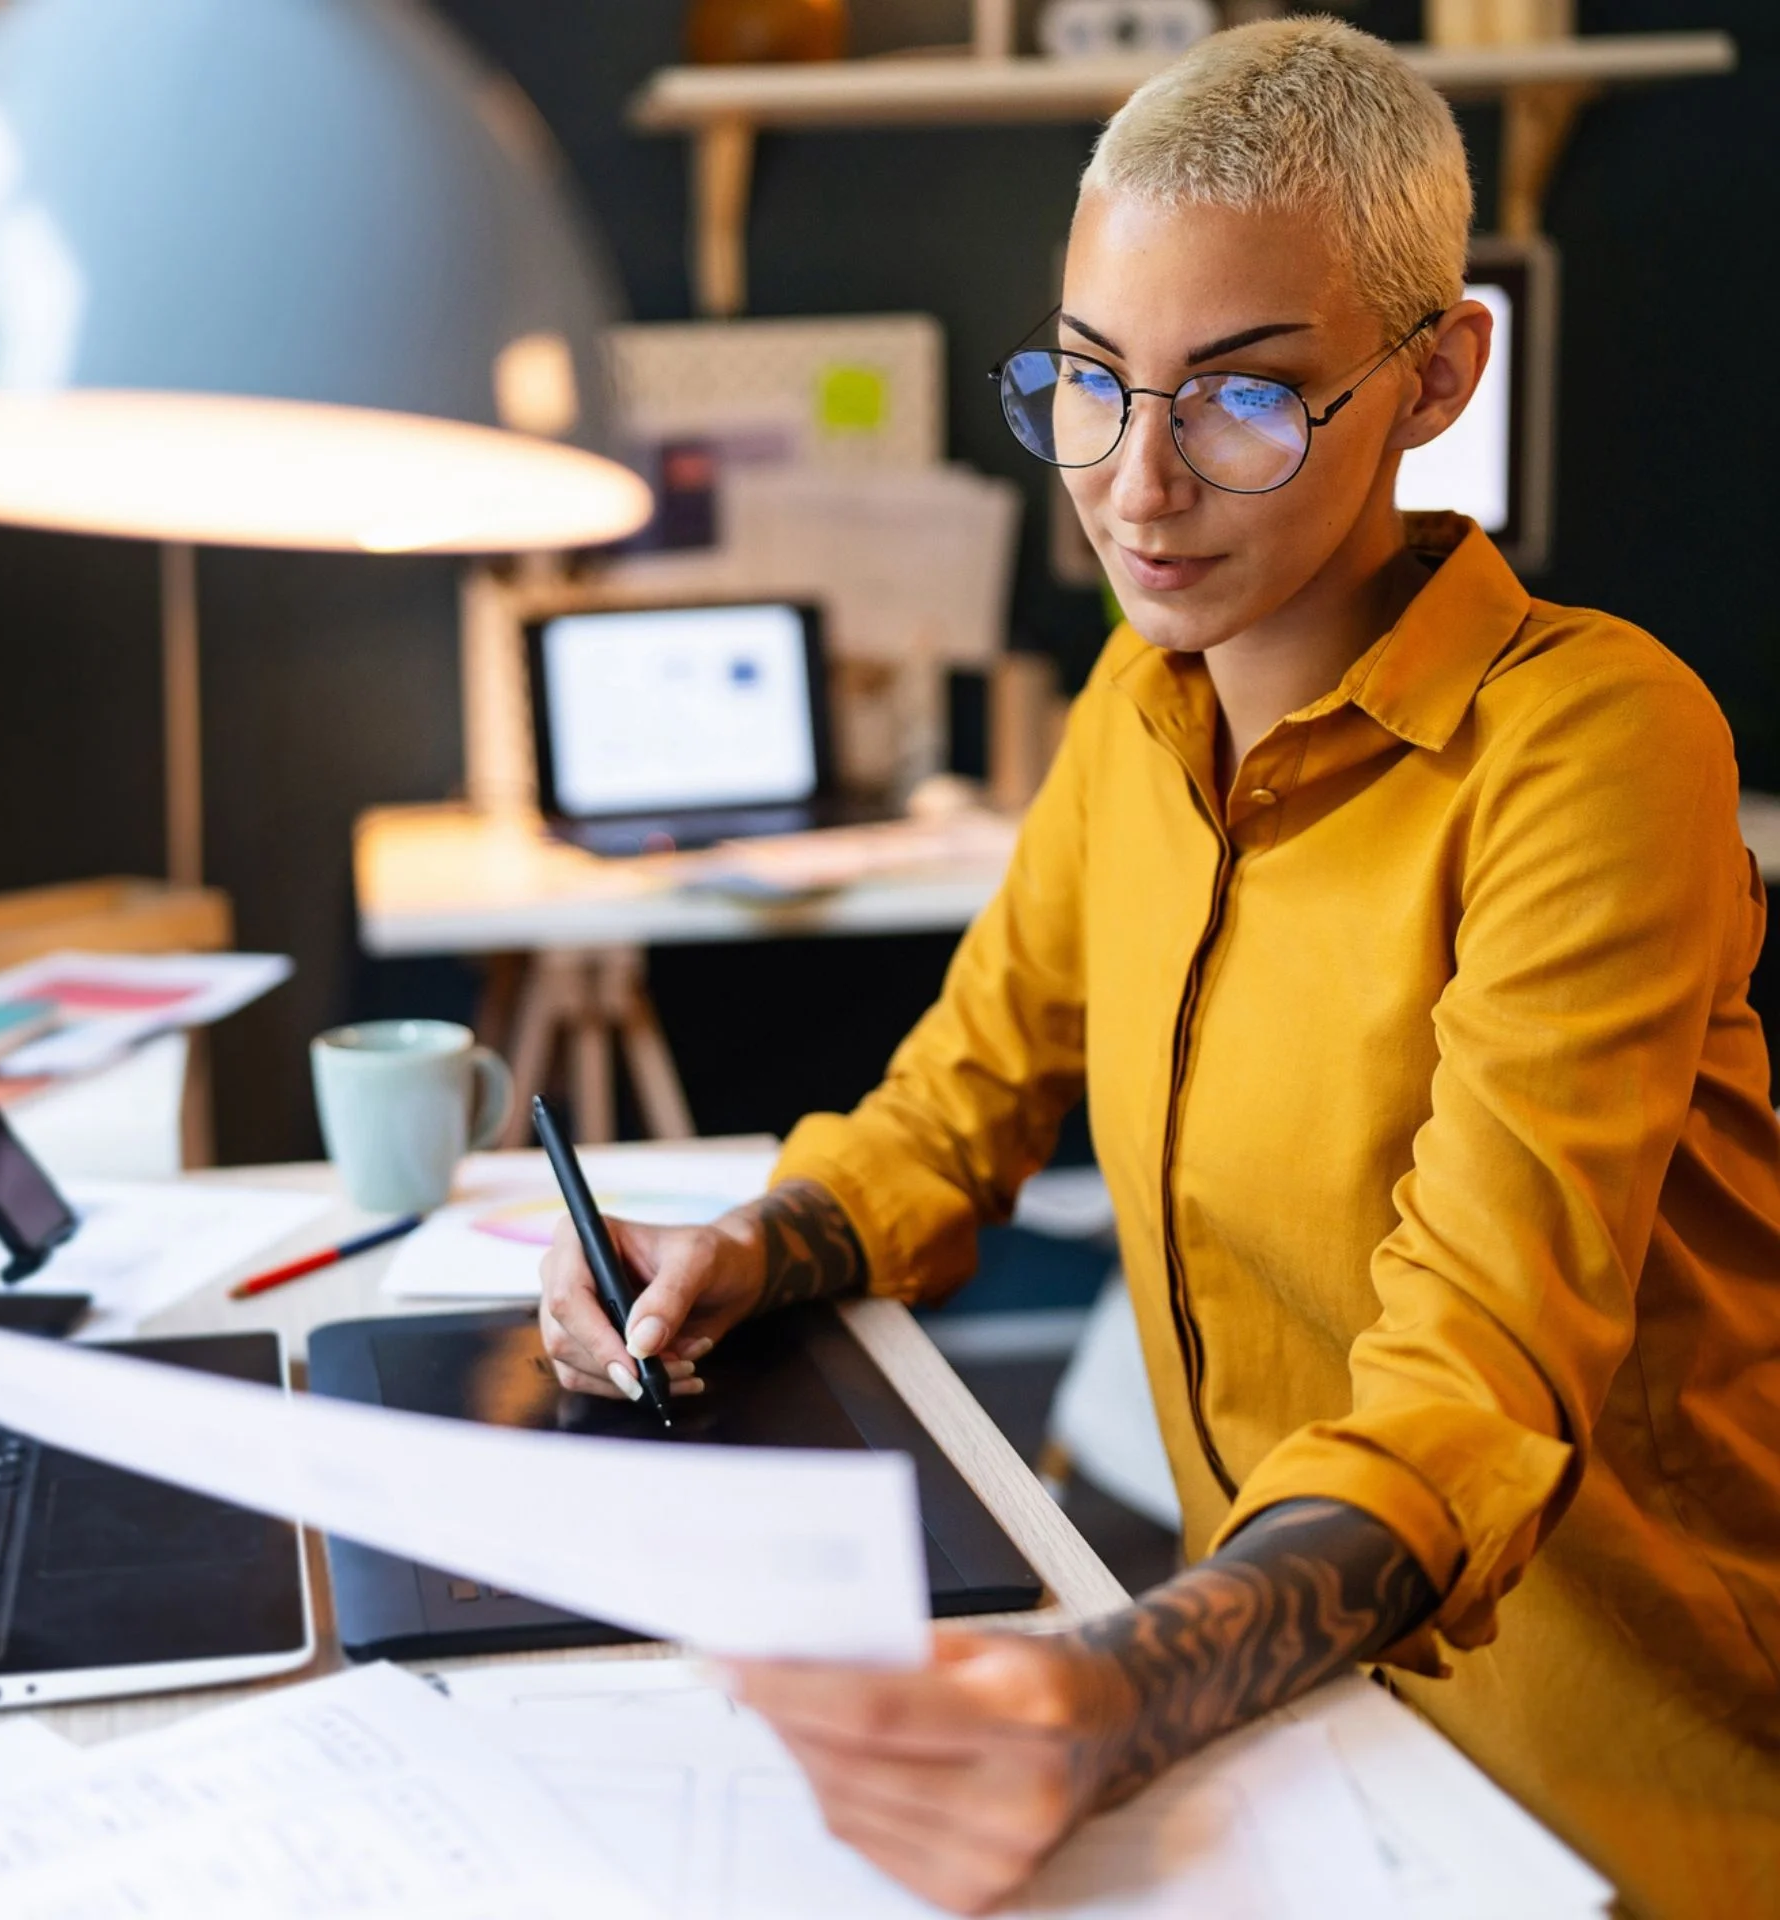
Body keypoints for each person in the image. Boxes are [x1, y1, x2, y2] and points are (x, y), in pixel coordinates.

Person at [537, 19, 1780, 1918]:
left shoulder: (1596, 747)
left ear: (1439, 372)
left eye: (1243, 401)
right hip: (1288, 1728)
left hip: (1610, 1780)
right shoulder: (1140, 706)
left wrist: (1118, 1693)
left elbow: (1475, 1372)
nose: (1133, 488)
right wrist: (743, 1245)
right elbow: (962, 1101)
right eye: (1095, 385)